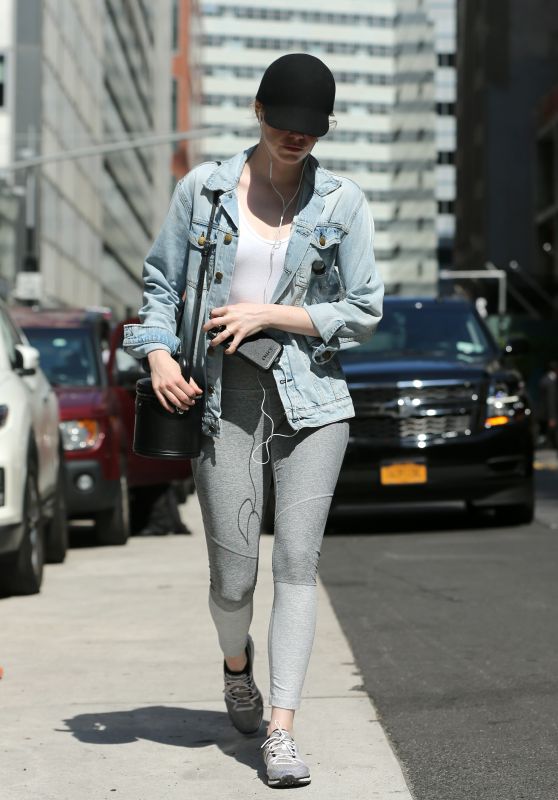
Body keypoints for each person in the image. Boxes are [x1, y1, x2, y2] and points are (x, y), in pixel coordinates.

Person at [123, 53, 383, 788]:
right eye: (283, 123)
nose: (295, 139)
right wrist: (158, 356)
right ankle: (237, 668)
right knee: (235, 576)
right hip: (222, 399)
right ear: (258, 112)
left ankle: (282, 730)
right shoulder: (202, 192)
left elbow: (364, 309)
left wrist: (271, 312)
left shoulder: (343, 203)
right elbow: (160, 283)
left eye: (309, 128)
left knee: (298, 565)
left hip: (313, 401)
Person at [538, 360, 558, 449]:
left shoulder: (543, 379)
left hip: (543, 413)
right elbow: (551, 400)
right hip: (550, 413)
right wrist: (552, 417)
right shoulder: (552, 382)